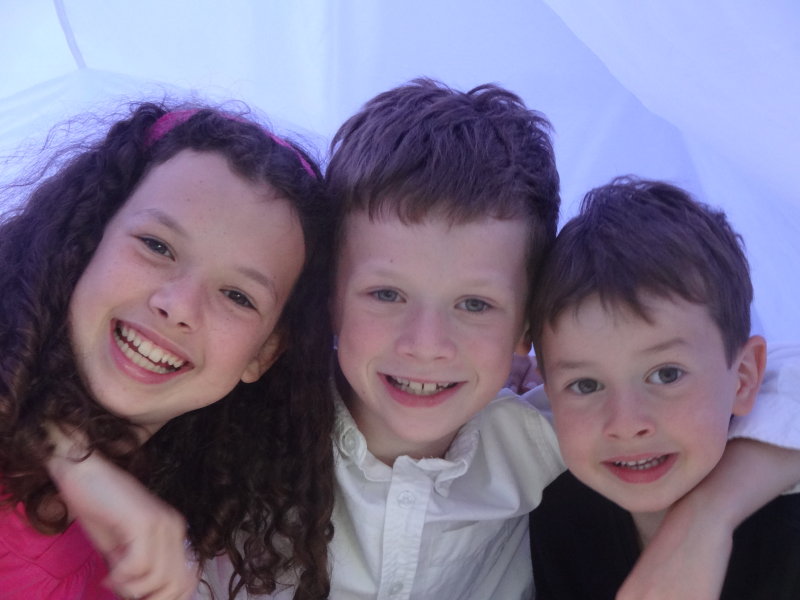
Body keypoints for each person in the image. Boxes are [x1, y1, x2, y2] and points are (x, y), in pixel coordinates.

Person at [0, 103, 336, 600]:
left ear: (262, 354)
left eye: (238, 296)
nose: (179, 306)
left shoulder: (162, 539)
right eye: (156, 246)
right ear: (88, 239)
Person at [528, 178, 800, 599]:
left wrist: (708, 518)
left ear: (744, 378)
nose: (626, 423)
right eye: (585, 384)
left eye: (666, 375)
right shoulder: (559, 518)